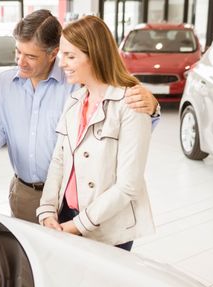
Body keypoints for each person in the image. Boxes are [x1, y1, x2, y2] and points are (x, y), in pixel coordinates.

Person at [0, 9, 159, 223]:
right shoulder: (4, 82)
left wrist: (151, 108)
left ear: (52, 53)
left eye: (30, 56)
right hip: (26, 193)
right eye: (18, 52)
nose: (20, 61)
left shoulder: (76, 81)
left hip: (72, 195)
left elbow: (119, 122)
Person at [36, 16, 156, 251]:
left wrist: (78, 225)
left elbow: (128, 186)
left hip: (106, 227)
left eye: (70, 56)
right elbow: (58, 162)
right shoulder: (74, 101)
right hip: (65, 215)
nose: (62, 63)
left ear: (96, 55)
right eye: (62, 55)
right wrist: (48, 210)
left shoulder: (131, 104)